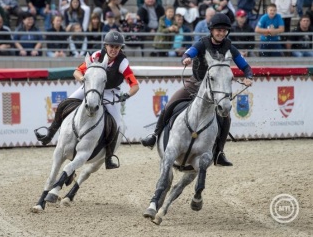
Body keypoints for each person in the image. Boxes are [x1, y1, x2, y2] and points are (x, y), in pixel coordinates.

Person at [141, 13, 253, 167]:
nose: (221, 33)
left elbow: (245, 66)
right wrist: (186, 58)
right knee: (170, 105)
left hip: (215, 89)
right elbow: (189, 53)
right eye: (218, 30)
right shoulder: (202, 43)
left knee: (226, 118)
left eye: (224, 30)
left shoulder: (229, 47)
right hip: (195, 84)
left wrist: (249, 76)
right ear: (211, 30)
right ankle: (154, 136)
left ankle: (219, 152)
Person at [34, 31, 140, 169]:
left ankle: (108, 157)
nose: (114, 50)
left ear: (120, 48)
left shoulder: (122, 63)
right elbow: (77, 72)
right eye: (111, 46)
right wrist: (83, 79)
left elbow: (135, 86)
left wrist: (125, 95)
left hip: (109, 92)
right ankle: (50, 133)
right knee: (64, 104)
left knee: (117, 124)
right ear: (106, 46)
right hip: (91, 87)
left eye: (117, 47)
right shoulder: (96, 56)